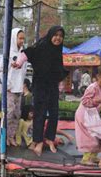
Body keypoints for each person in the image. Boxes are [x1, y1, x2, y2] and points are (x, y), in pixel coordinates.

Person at [12, 25, 68, 156]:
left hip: (52, 85)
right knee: (40, 113)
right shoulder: (42, 45)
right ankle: (38, 142)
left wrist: (60, 83)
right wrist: (19, 63)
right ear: (50, 35)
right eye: (56, 35)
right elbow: (27, 52)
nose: (58, 38)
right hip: (40, 85)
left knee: (54, 113)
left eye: (61, 36)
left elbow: (59, 68)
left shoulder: (57, 50)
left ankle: (49, 138)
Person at [75, 66, 101, 165]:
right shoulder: (93, 87)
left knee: (99, 134)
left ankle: (93, 156)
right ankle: (85, 159)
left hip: (92, 114)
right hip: (84, 114)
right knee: (90, 136)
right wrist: (99, 100)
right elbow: (85, 101)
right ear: (98, 76)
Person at [0, 28, 28, 147]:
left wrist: (23, 86)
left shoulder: (23, 54)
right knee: (8, 113)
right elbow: (0, 71)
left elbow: (23, 72)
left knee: (16, 113)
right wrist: (6, 85)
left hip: (18, 89)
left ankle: (11, 136)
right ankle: (3, 137)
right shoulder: (7, 53)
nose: (22, 41)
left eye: (23, 38)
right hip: (8, 90)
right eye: (20, 38)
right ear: (14, 38)